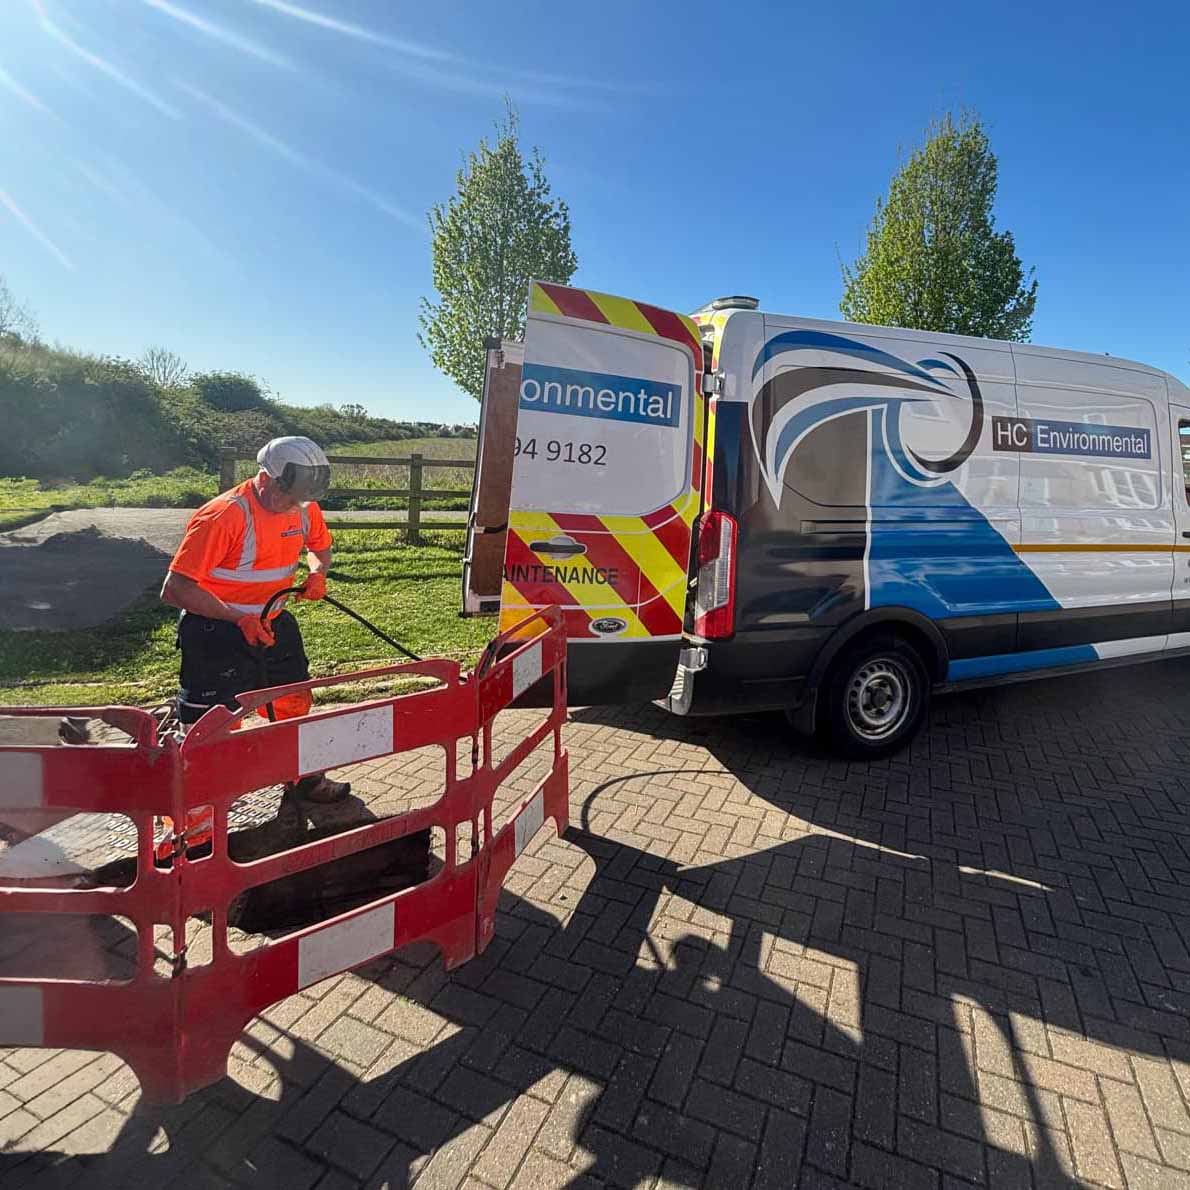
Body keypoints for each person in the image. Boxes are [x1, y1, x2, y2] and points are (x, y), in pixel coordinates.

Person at [160, 436, 348, 803]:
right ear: (267, 478)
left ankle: (302, 777)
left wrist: (318, 572)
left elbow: (320, 549)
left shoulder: (304, 506)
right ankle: (202, 804)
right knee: (211, 722)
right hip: (216, 630)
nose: (296, 506)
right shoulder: (223, 516)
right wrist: (237, 618)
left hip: (274, 624)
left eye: (302, 499)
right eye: (290, 497)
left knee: (292, 702)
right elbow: (176, 589)